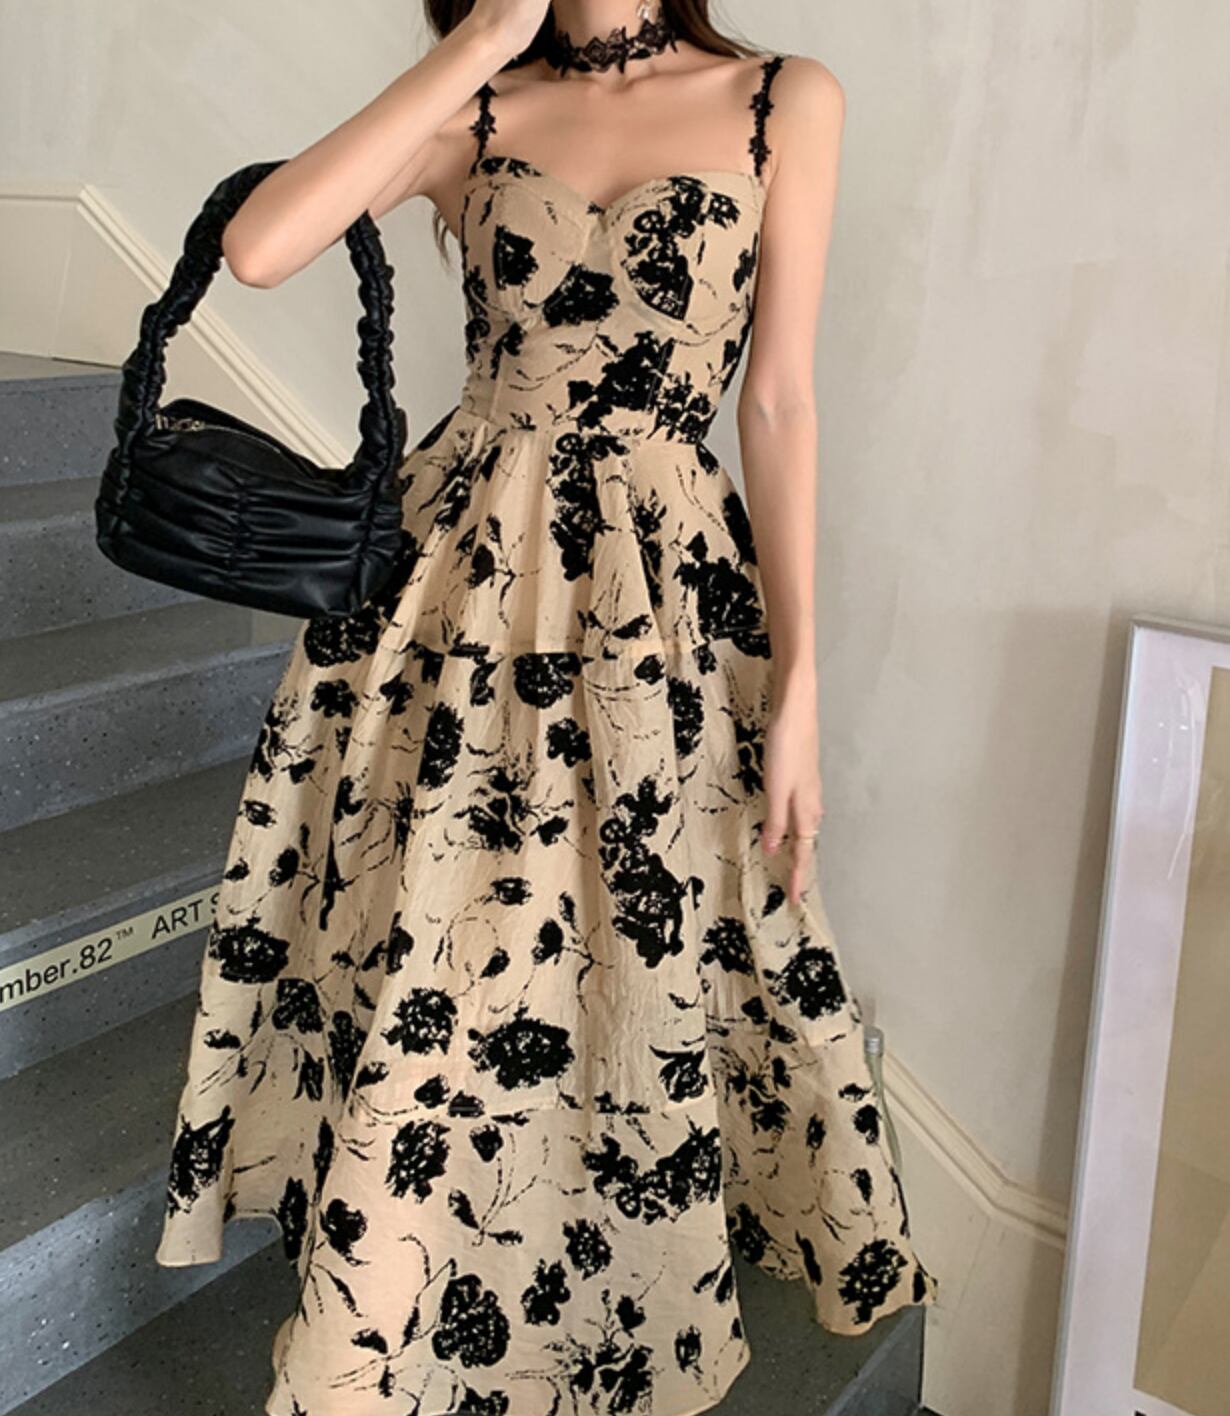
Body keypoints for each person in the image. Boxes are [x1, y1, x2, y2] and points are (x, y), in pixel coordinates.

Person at [154, 3, 939, 1413]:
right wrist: (479, 42)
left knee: (641, 958)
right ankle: (387, 1321)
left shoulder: (783, 98)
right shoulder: (478, 102)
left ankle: (612, 1317)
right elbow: (260, 249)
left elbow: (776, 403)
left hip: (663, 601)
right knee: (439, 963)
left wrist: (803, 684)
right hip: (456, 591)